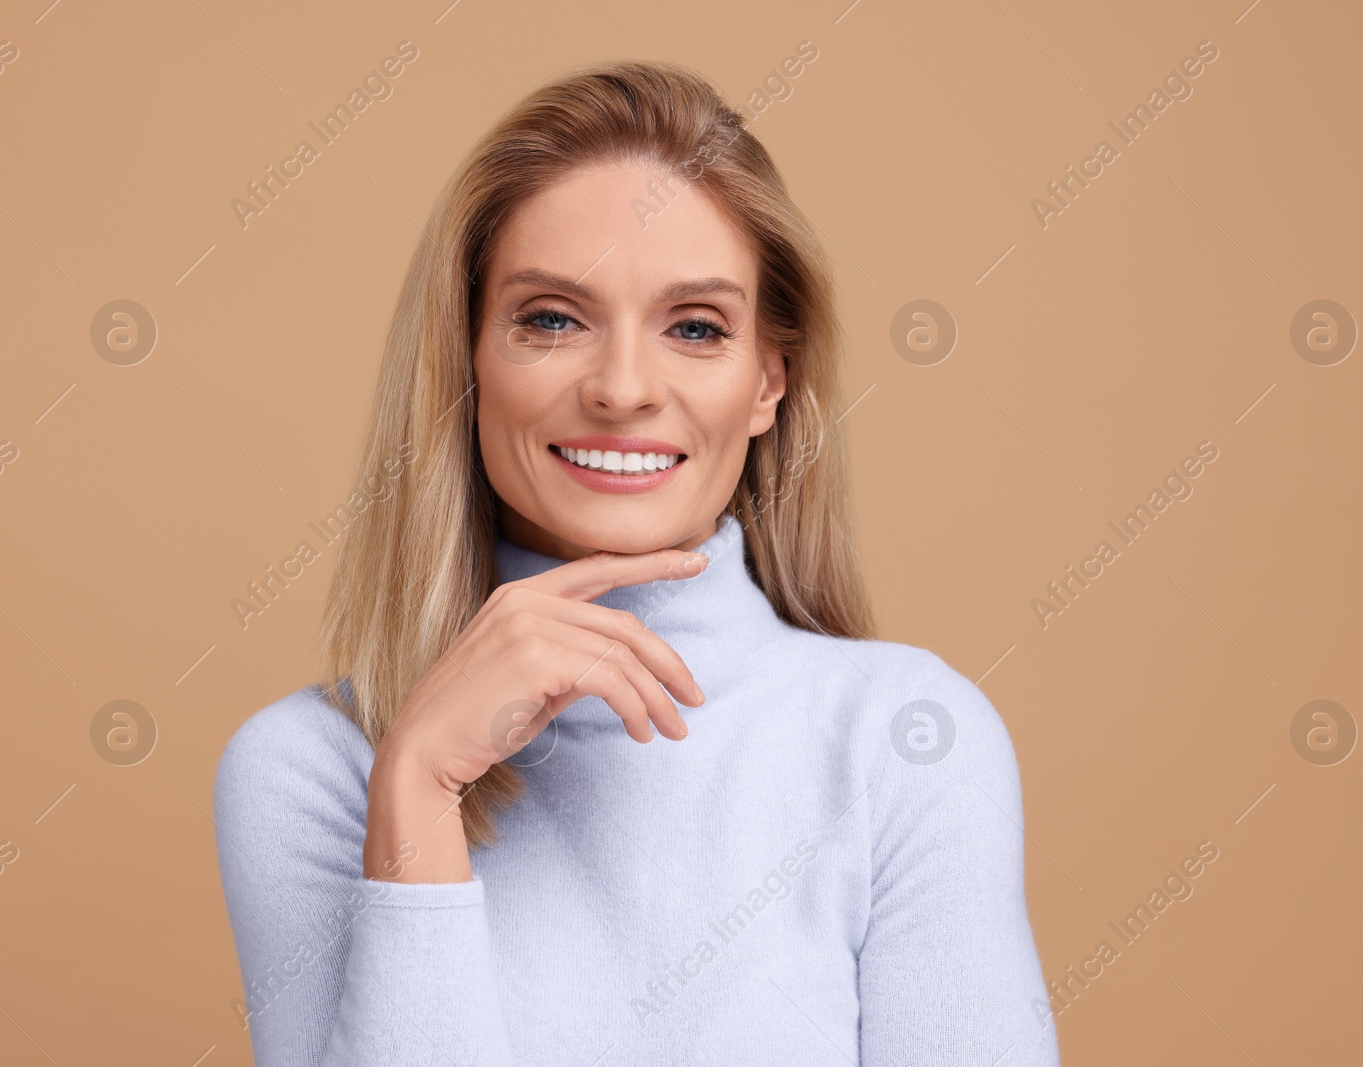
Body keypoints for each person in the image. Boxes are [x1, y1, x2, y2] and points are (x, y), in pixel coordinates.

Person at [214, 59, 1060, 1067]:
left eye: (695, 327)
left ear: (766, 382)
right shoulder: (315, 769)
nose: (621, 388)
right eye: (552, 319)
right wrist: (418, 796)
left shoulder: (905, 738)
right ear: (466, 360)